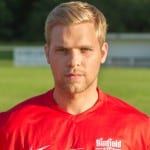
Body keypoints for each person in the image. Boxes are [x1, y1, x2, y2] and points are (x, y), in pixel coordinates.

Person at [0, 1, 149, 150]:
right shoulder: (10, 128)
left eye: (85, 50)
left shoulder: (139, 131)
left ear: (103, 53)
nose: (73, 62)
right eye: (63, 50)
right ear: (47, 53)